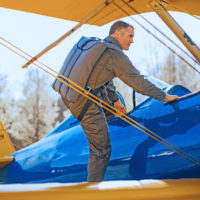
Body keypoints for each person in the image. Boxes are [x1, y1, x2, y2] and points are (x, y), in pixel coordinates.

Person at [61, 20, 178, 182]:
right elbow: (138, 82)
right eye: (130, 36)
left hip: (73, 97)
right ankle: (93, 193)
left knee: (115, 108)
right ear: (117, 33)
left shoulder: (100, 48)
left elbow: (103, 79)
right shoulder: (115, 54)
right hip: (85, 103)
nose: (132, 40)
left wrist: (115, 100)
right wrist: (164, 96)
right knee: (101, 150)